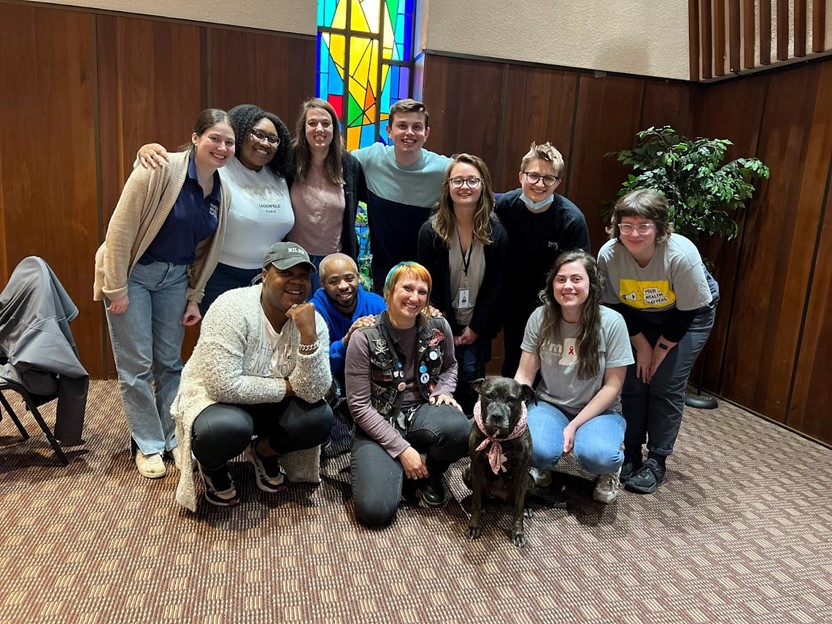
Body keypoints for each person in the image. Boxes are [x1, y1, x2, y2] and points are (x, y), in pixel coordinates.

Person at [93, 108, 234, 479]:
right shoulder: (158, 168)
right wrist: (116, 287)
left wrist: (194, 296)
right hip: (133, 276)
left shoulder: (222, 189)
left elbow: (207, 250)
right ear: (195, 138)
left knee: (171, 362)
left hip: (174, 280)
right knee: (136, 365)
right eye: (214, 138)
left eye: (228, 142)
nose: (221, 147)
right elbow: (119, 230)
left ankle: (172, 435)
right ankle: (147, 443)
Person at [171, 242, 334, 510]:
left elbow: (315, 391)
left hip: (268, 405)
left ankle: (262, 452)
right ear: (266, 274)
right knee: (225, 429)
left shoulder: (312, 320)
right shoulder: (231, 307)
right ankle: (212, 467)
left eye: (304, 275)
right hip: (217, 402)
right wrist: (288, 388)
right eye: (286, 273)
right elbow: (223, 385)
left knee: (319, 418)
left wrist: (308, 337)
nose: (297, 282)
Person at [597, 189, 719, 494]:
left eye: (644, 226)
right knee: (634, 382)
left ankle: (657, 461)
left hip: (687, 316)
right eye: (626, 226)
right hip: (637, 315)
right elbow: (616, 306)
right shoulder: (609, 255)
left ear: (660, 228)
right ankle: (632, 452)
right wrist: (642, 347)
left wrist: (659, 350)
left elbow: (687, 312)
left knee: (665, 383)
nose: (634, 234)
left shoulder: (680, 255)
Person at [345, 261, 469, 526]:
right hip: (377, 420)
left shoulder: (438, 326)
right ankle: (402, 466)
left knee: (459, 428)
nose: (415, 297)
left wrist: (445, 390)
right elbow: (358, 407)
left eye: (422, 291)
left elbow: (450, 366)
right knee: (375, 512)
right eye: (407, 288)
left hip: (421, 412)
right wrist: (402, 449)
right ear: (389, 291)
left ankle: (433, 474)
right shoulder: (364, 336)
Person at [137, 104, 295, 313]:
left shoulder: (281, 175)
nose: (265, 143)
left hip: (268, 278)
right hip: (220, 276)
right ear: (241, 133)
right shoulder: (218, 166)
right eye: (257, 134)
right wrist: (145, 151)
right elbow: (176, 166)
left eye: (273, 139)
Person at [513, 250, 634, 504]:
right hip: (549, 404)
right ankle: (541, 463)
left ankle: (608, 472)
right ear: (552, 284)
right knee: (533, 447)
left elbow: (613, 386)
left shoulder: (612, 322)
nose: (568, 286)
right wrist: (509, 409)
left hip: (600, 411)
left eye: (576, 279)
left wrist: (574, 425)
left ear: (591, 283)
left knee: (598, 455)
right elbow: (524, 374)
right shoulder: (540, 317)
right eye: (561, 279)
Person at [417, 153, 508, 414]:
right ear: (448, 186)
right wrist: (445, 324)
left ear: (483, 186)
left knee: (470, 379)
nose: (464, 187)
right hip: (440, 320)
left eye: (472, 181)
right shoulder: (431, 231)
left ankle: (469, 433)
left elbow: (498, 286)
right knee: (440, 379)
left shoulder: (496, 232)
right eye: (458, 180)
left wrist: (476, 328)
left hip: (479, 323)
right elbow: (426, 283)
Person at [496, 142, 590, 377]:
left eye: (548, 178)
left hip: (554, 305)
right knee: (514, 365)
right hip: (513, 302)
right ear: (521, 176)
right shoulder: (505, 206)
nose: (540, 184)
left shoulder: (571, 220)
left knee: (551, 369)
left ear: (557, 182)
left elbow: (582, 272)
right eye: (534, 175)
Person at [352, 99, 452, 292]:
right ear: (389, 131)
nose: (409, 133)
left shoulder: (444, 169)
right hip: (384, 271)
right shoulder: (372, 158)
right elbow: (334, 160)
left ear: (427, 133)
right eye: (402, 126)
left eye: (417, 127)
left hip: (427, 271)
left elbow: (474, 181)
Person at [287, 98, 365, 293]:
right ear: (303, 128)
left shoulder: (348, 165)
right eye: (312, 123)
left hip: (334, 262)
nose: (319, 129)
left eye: (326, 123)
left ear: (334, 128)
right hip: (295, 258)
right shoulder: (289, 159)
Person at [310, 253, 386, 397]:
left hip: (373, 379)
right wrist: (347, 339)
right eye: (334, 281)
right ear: (322, 284)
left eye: (349, 278)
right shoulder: (314, 312)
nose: (343, 286)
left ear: (358, 277)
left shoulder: (377, 304)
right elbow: (317, 366)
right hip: (334, 381)